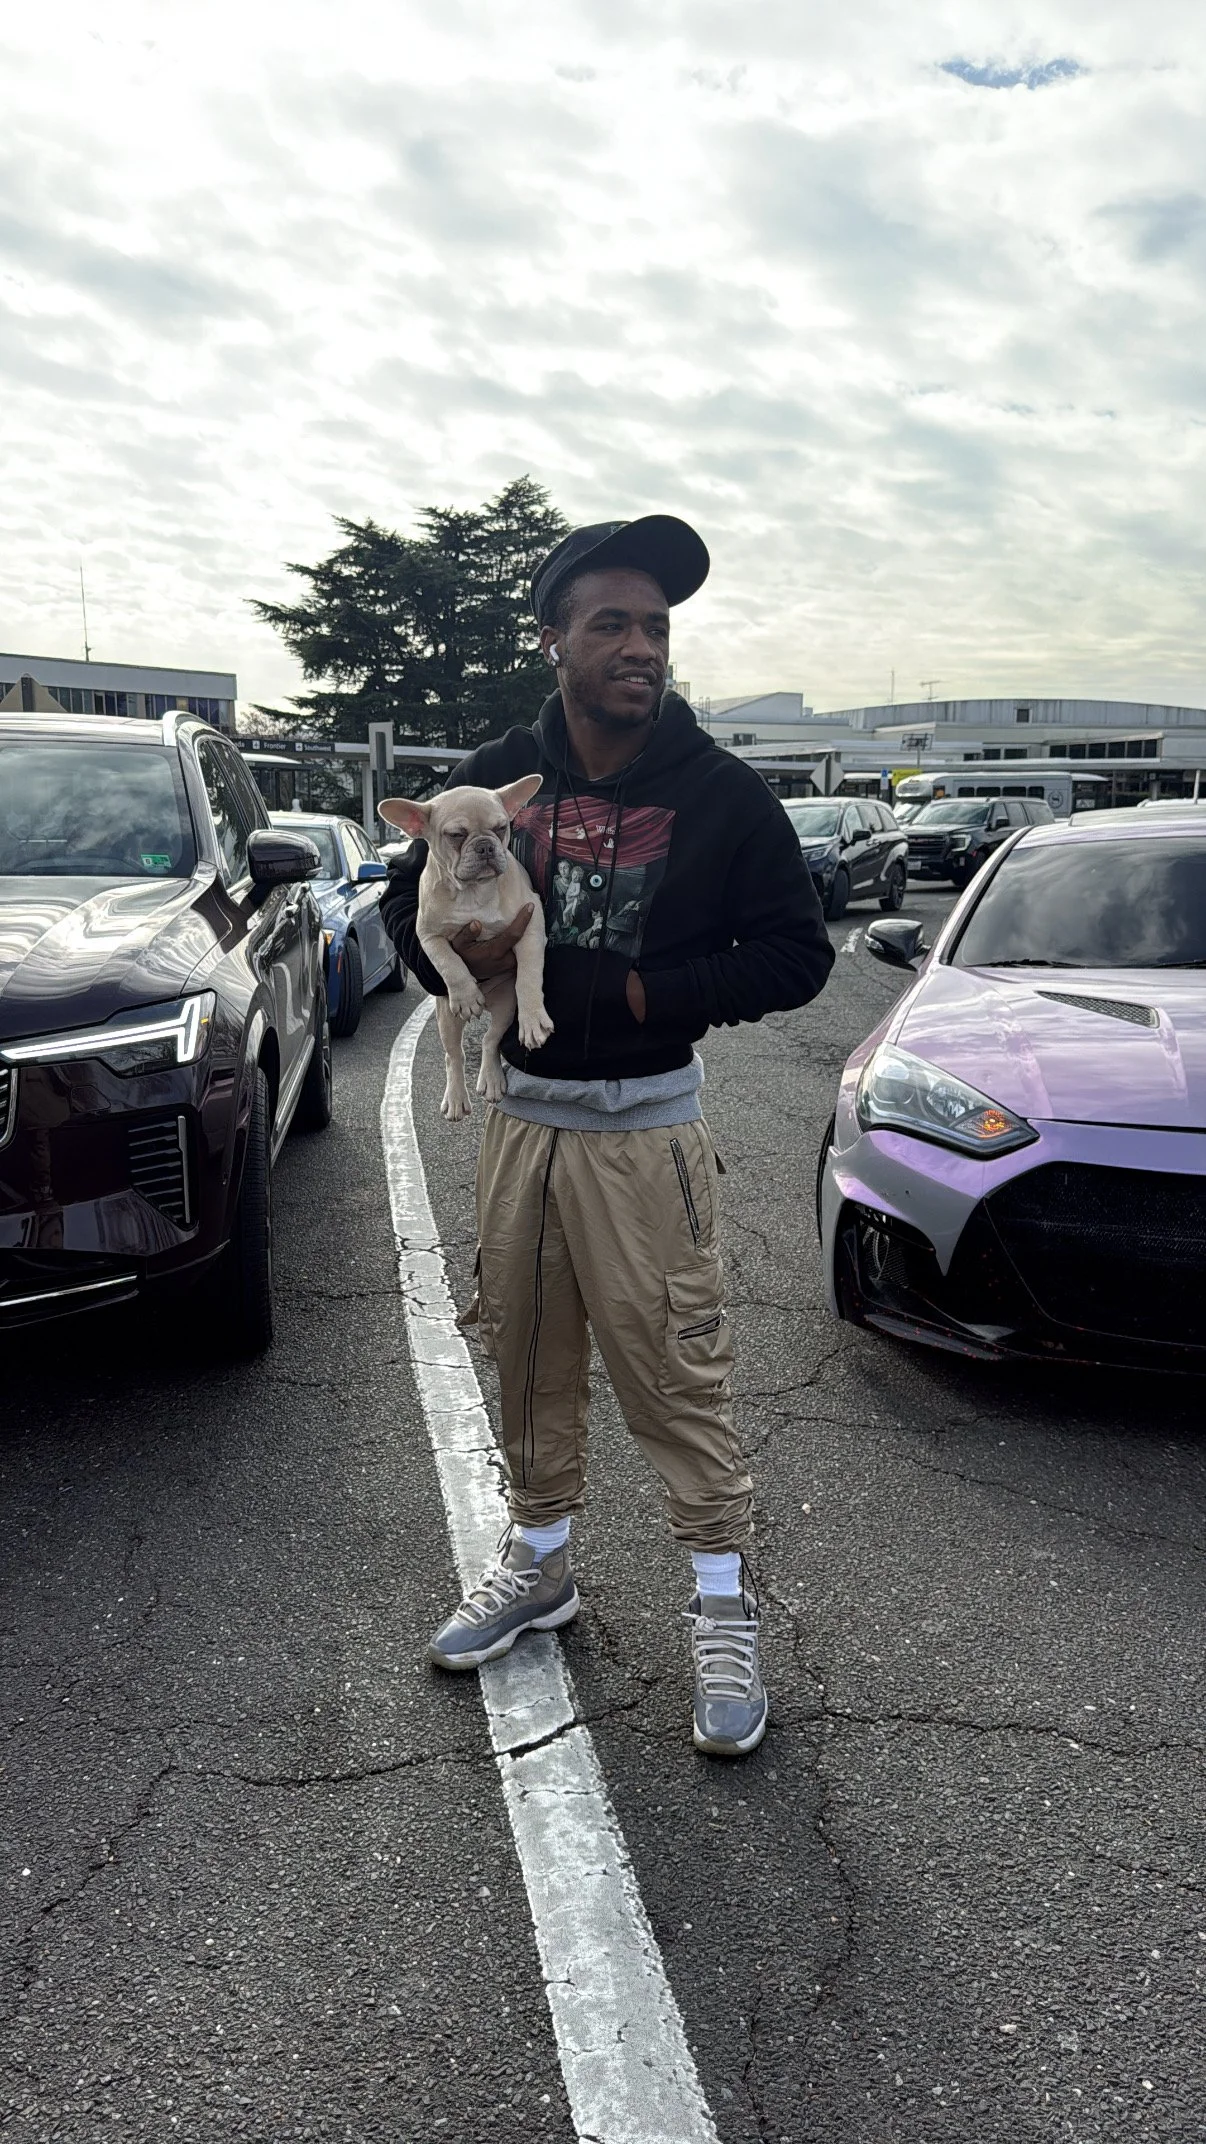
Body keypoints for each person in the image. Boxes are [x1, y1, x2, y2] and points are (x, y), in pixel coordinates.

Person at [382, 514, 834, 1757]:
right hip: (523, 1127)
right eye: (614, 624)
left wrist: (644, 995)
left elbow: (800, 954)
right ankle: (541, 1566)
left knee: (678, 1370)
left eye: (659, 627)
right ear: (556, 640)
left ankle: (723, 1607)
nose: (643, 647)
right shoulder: (492, 772)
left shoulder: (723, 792)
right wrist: (462, 959)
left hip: (647, 1134)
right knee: (523, 1351)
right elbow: (395, 900)